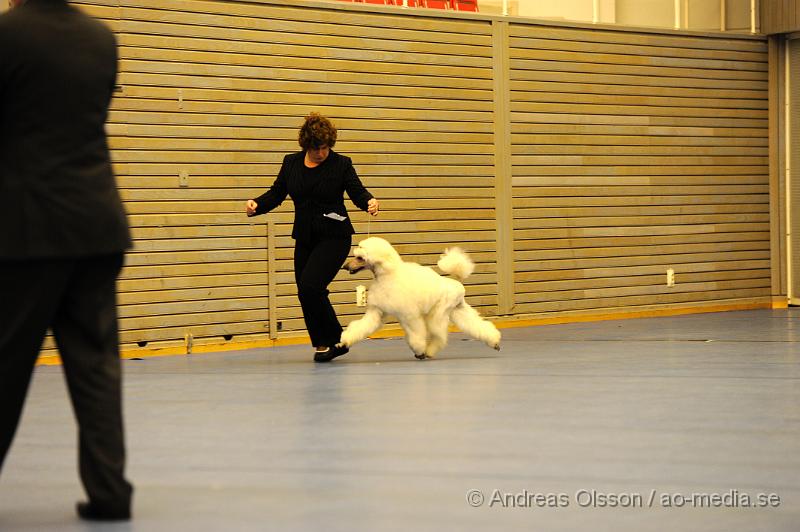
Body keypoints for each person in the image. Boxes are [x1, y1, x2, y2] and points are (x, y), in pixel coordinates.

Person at [0, 0, 133, 521]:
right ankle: (110, 493)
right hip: (97, 223)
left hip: (28, 230)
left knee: (5, 366)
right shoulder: (102, 39)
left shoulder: (6, 36)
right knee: (97, 366)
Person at [247, 113, 379, 362]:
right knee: (305, 291)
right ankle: (324, 343)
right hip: (306, 236)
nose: (321, 153)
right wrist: (257, 204)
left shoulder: (342, 164)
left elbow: (357, 191)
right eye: (316, 148)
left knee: (311, 286)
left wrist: (369, 201)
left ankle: (337, 340)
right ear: (306, 145)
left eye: (325, 147)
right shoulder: (291, 164)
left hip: (335, 236)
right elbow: (277, 192)